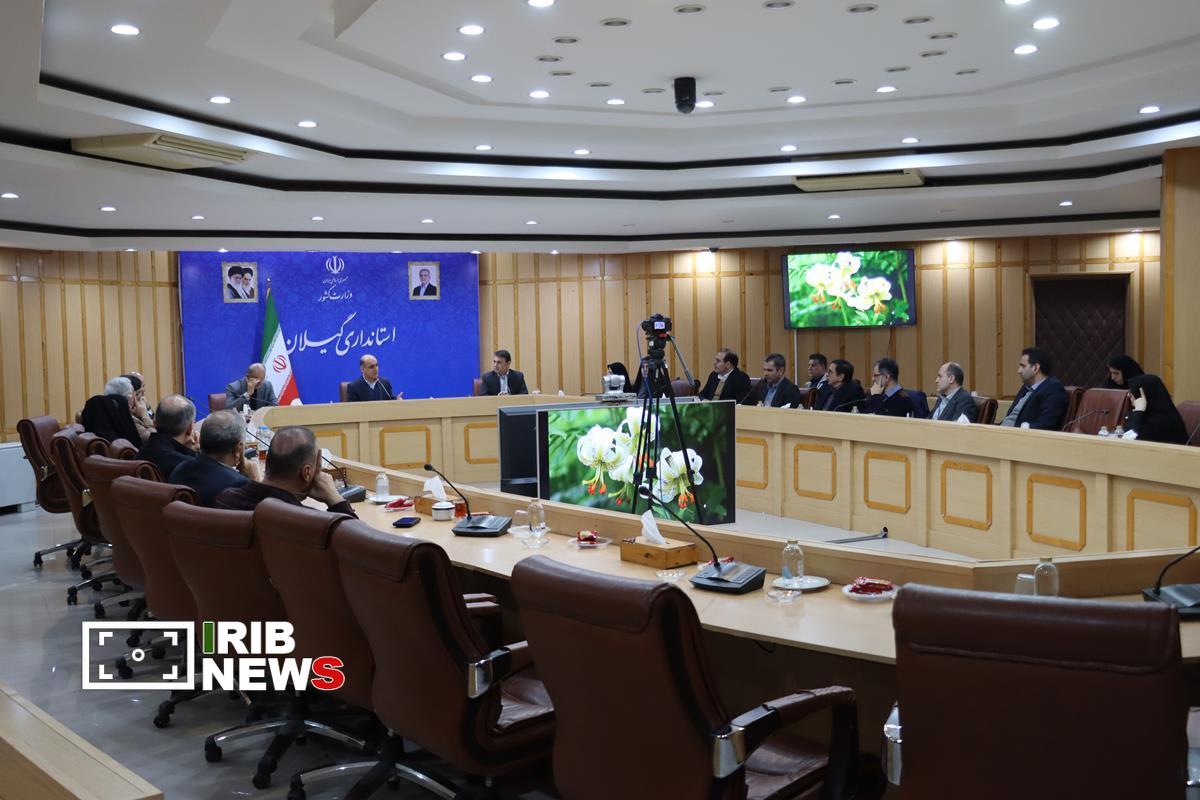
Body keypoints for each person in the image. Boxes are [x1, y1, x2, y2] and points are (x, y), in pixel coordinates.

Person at [215, 426, 356, 516]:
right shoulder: (309, 521)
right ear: (307, 473)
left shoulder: (225, 499)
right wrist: (335, 499)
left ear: (268, 460)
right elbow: (357, 544)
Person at [168, 411, 260, 506]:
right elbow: (260, 513)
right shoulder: (238, 486)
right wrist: (255, 483)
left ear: (200, 439)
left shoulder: (179, 469)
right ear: (238, 449)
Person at [998, 347, 1069, 430]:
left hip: (1021, 435)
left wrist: (1023, 429)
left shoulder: (1053, 389)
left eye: (1023, 366)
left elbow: (1046, 424)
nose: (1019, 371)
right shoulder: (1026, 387)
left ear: (1035, 368)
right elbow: (1012, 417)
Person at [136, 395, 197, 479]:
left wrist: (188, 450)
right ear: (190, 428)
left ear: (154, 422)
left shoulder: (141, 453)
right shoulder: (188, 466)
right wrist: (196, 454)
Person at [1123, 374, 1188, 444]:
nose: (1128, 395)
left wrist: (1138, 411)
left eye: (1132, 391)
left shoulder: (1162, 421)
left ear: (1145, 394)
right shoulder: (1147, 414)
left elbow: (1128, 440)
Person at [81, 376, 143, 444]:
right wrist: (144, 417)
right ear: (127, 399)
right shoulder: (125, 419)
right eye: (135, 394)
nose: (136, 399)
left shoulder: (99, 409)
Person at [120, 373, 154, 443]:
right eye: (138, 395)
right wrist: (145, 416)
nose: (142, 398)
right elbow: (156, 440)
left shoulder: (143, 405)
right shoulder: (131, 419)